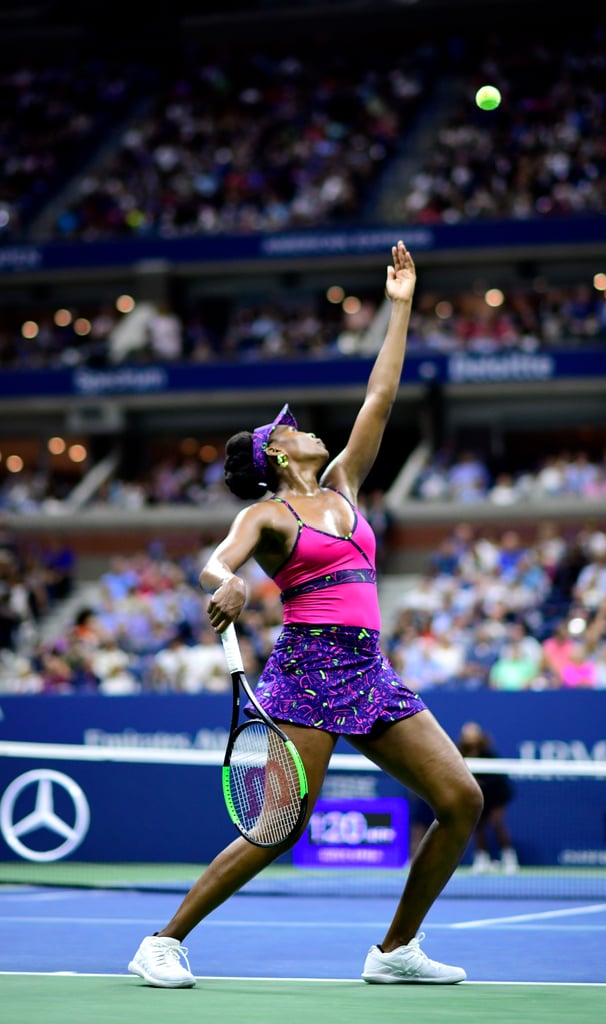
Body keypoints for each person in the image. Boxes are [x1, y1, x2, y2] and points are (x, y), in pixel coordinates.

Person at [128, 241, 483, 989]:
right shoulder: (268, 512)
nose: (306, 429)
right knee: (280, 825)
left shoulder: (344, 482)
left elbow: (378, 399)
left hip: (369, 668)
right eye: (291, 429)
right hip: (309, 667)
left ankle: (394, 952)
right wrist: (227, 583)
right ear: (279, 453)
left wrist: (400, 306)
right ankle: (162, 939)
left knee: (460, 800)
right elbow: (217, 559)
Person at [456, 721, 518, 875]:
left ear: (479, 736)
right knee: (477, 827)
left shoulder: (488, 754)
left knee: (497, 824)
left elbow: (498, 777)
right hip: (477, 797)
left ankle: (509, 859)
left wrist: (480, 783)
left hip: (496, 794)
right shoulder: (459, 753)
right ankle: (482, 860)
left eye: (473, 733)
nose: (470, 737)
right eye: (467, 734)